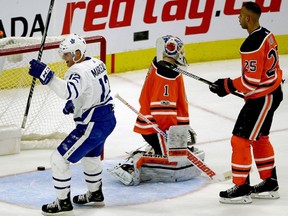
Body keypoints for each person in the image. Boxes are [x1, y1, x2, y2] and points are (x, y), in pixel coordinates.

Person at [28, 33, 116, 215]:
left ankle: (63, 204)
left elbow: (68, 91)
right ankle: (95, 195)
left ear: (77, 53)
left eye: (67, 54)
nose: (64, 59)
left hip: (93, 124)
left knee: (58, 159)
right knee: (91, 157)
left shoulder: (77, 70)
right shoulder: (97, 63)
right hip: (107, 120)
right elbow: (92, 90)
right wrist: (77, 104)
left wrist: (48, 76)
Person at [209, 2, 283, 204]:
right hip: (272, 92)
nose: (238, 18)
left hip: (263, 97)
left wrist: (227, 86)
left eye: (241, 15)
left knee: (240, 139)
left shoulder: (251, 44)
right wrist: (229, 86)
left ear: (248, 18)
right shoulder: (267, 34)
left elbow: (251, 82)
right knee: (260, 138)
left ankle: (241, 188)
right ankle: (270, 182)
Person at [108, 35, 204, 185]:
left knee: (176, 154)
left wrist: (181, 127)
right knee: (173, 159)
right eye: (179, 50)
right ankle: (133, 165)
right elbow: (162, 111)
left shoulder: (161, 65)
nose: (181, 53)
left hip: (153, 124)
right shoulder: (167, 74)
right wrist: (172, 133)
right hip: (156, 127)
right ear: (170, 50)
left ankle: (156, 150)